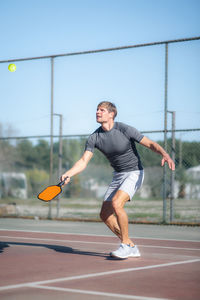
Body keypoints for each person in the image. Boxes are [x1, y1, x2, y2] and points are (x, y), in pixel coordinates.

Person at [61, 101, 175, 259]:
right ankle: (131, 246)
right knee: (105, 214)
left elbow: (149, 143)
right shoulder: (94, 137)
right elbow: (83, 161)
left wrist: (164, 154)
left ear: (111, 114)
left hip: (134, 172)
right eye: (97, 110)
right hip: (118, 175)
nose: (97, 112)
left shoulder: (124, 129)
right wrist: (69, 174)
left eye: (101, 110)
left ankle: (125, 245)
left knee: (116, 203)